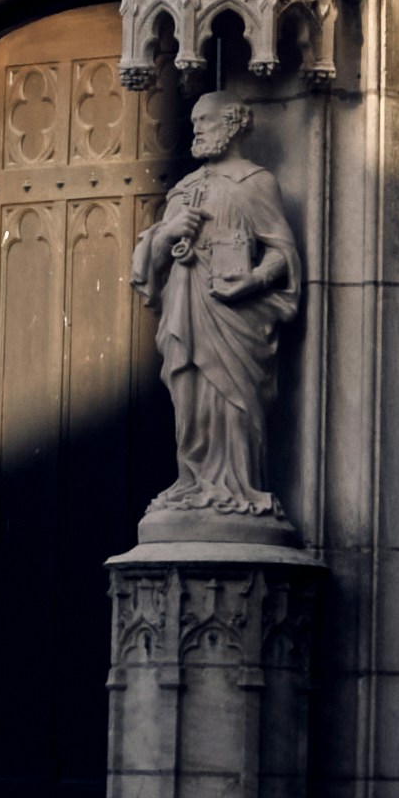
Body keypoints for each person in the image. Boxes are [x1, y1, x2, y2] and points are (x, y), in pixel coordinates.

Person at [131, 82, 302, 528]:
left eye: (203, 122)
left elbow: (282, 252)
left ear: (231, 125)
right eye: (193, 125)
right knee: (189, 400)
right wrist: (169, 235)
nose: (195, 131)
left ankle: (239, 487)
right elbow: (150, 263)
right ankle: (195, 481)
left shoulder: (255, 182)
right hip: (186, 313)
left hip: (236, 319)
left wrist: (250, 280)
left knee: (235, 403)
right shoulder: (185, 189)